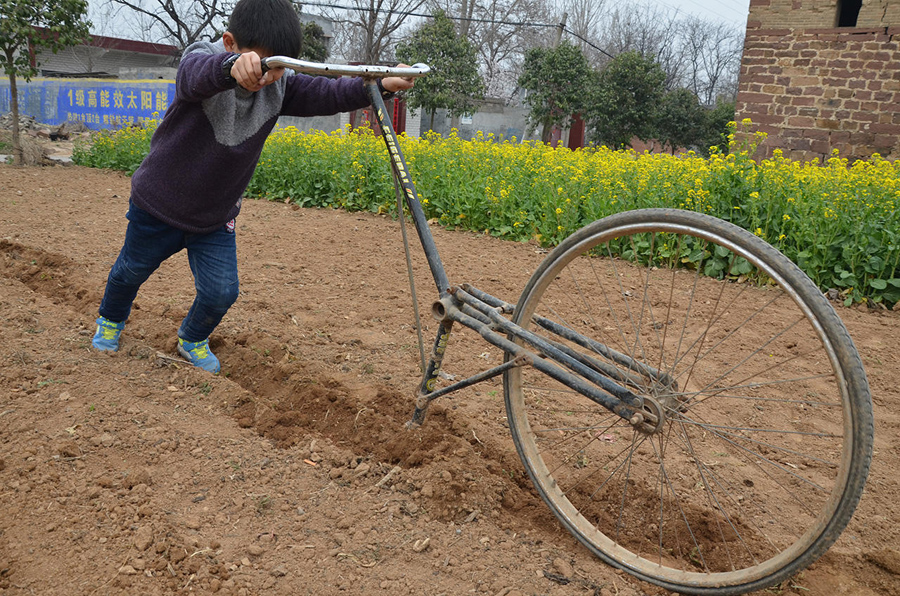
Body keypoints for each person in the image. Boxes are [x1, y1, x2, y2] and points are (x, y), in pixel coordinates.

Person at [91, 0, 414, 373]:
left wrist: (382, 82)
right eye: (264, 64)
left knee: (221, 292)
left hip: (214, 217)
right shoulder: (203, 61)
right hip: (158, 205)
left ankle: (192, 338)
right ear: (230, 42)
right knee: (130, 271)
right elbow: (193, 76)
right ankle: (111, 319)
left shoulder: (279, 85)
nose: (270, 76)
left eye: (279, 67)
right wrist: (229, 68)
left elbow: (329, 91)